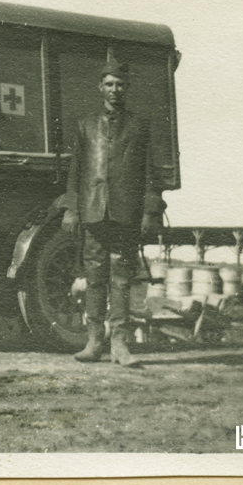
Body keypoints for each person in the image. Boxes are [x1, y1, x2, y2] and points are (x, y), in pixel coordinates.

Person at [61, 60, 162, 366]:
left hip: (125, 213)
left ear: (126, 88)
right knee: (94, 276)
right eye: (109, 84)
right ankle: (94, 342)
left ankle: (119, 344)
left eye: (120, 84)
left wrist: (148, 212)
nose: (114, 90)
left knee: (121, 277)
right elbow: (76, 170)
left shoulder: (138, 126)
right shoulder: (85, 125)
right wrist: (71, 209)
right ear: (100, 88)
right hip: (93, 210)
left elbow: (148, 173)